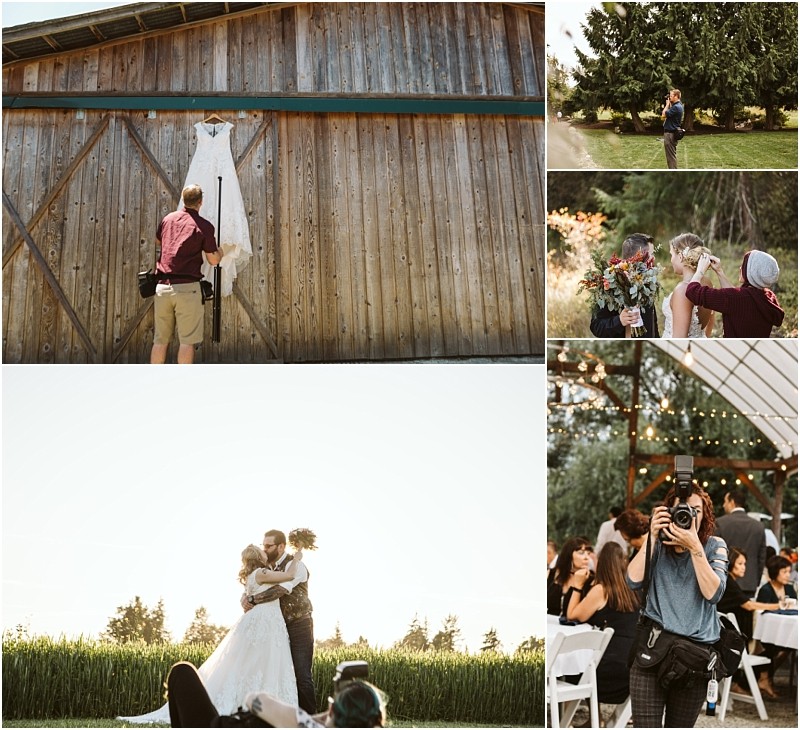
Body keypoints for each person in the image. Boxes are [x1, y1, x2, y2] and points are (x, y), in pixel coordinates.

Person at [119, 545, 302, 724]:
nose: (265, 550)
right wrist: (296, 559)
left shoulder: (252, 576)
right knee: (261, 662)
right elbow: (289, 575)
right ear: (257, 557)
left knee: (253, 663)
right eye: (262, 550)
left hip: (266, 621)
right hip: (264, 621)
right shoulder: (261, 573)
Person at [627, 484, 728, 727]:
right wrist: (651, 536)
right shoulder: (657, 544)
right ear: (667, 512)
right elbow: (632, 580)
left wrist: (695, 547)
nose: (689, 516)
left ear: (705, 516)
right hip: (652, 651)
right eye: (682, 510)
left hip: (694, 657)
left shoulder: (714, 545)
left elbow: (713, 593)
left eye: (696, 510)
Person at [164, 661, 387, 727]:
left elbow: (254, 699)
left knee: (182, 672)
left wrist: (312, 717)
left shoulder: (300, 724)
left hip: (215, 726)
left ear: (332, 709)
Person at [242, 530, 316, 714]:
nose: (264, 549)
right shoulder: (265, 567)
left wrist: (251, 600)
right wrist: (244, 596)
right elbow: (255, 582)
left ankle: (310, 719)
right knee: (275, 672)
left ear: (281, 546)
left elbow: (278, 591)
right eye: (263, 545)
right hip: (275, 628)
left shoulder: (295, 566)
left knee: (302, 674)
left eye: (268, 546)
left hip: (299, 624)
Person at [150, 184, 222, 364]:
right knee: (187, 342)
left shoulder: (167, 219)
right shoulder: (204, 226)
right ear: (200, 202)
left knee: (160, 340)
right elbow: (214, 260)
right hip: (188, 290)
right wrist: (220, 251)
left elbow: (158, 241)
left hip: (162, 287)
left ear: (183, 199)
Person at [565, 542, 640, 704]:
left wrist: (577, 586)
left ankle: (564, 721)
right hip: (630, 671)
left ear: (602, 563)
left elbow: (572, 615)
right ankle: (594, 720)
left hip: (607, 673)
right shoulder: (633, 591)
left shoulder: (602, 590)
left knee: (569, 668)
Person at [717, 547, 780, 697]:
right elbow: (748, 605)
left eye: (744, 564)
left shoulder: (729, 580)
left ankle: (751, 680)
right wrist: (777, 605)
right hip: (731, 641)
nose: (743, 567)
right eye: (740, 563)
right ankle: (756, 680)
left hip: (726, 636)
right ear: (731, 563)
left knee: (769, 644)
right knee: (769, 645)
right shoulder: (728, 581)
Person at [686, 250, 784, 338]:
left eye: (744, 265)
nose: (740, 267)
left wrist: (700, 271)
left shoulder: (737, 298)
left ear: (752, 273)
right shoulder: (769, 297)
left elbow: (692, 292)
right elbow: (737, 299)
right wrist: (719, 271)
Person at [590, 233, 660, 338]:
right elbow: (596, 327)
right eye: (651, 254)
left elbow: (652, 324)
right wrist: (619, 321)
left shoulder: (648, 283)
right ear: (639, 257)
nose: (653, 259)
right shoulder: (609, 284)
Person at [755, 555, 798, 697]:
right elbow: (761, 612)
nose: (788, 575)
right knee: (777, 649)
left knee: (789, 647)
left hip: (787, 630)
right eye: (784, 572)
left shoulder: (790, 589)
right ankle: (764, 678)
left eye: (789, 572)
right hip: (768, 632)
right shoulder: (766, 590)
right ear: (775, 571)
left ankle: (765, 678)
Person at [715, 488, 766, 598]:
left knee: (725, 615)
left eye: (725, 501)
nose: (723, 505)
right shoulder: (758, 526)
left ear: (732, 502)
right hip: (750, 583)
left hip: (725, 583)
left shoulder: (720, 523)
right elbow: (761, 558)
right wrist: (756, 580)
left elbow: (714, 552)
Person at [662, 234, 715, 338]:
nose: (671, 260)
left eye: (672, 255)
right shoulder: (707, 283)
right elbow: (711, 321)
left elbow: (679, 339)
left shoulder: (682, 291)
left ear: (681, 257)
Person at [547, 536, 595, 617]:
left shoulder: (592, 581)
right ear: (569, 555)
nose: (587, 557)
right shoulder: (551, 574)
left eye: (588, 553)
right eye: (581, 553)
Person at [661, 89, 684, 169]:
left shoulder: (676, 107)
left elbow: (663, 114)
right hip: (672, 134)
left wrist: (667, 105)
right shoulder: (678, 106)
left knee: (670, 157)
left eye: (671, 96)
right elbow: (670, 114)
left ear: (676, 96)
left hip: (670, 135)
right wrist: (670, 104)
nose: (669, 97)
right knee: (671, 156)